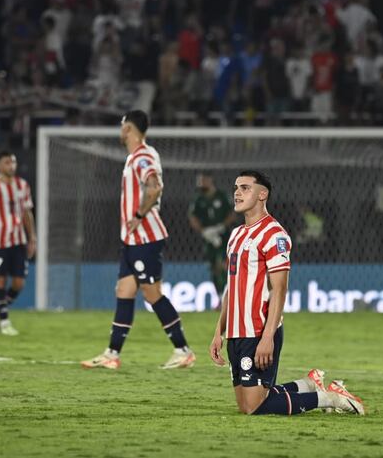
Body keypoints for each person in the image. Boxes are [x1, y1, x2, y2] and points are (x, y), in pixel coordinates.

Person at [209, 171, 365, 415]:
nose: (237, 192)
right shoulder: (236, 235)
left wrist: (268, 336)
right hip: (236, 333)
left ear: (263, 194)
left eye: (245, 187)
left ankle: (330, 398)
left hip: (259, 330)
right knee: (245, 404)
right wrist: (219, 331)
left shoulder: (274, 234)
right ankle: (309, 383)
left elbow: (279, 289)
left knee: (254, 406)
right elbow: (232, 287)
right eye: (236, 187)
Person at [82, 110, 196, 370]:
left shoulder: (143, 156)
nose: (120, 130)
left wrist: (137, 215)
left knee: (152, 294)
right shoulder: (136, 156)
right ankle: (112, 353)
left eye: (122, 126)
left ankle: (183, 350)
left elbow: (154, 187)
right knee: (124, 292)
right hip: (133, 240)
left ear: (128, 129)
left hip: (146, 238)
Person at [0, 150, 37, 336]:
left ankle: (0, 308)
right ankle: (4, 322)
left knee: (19, 283)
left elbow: (27, 213)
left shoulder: (23, 185)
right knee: (1, 280)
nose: (11, 166)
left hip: (18, 240)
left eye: (13, 162)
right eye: (7, 162)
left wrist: (32, 237)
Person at [188, 173, 236, 297]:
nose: (200, 184)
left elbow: (232, 213)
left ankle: (229, 293)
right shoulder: (198, 199)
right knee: (214, 266)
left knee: (224, 264)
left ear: (210, 180)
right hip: (208, 237)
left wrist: (221, 227)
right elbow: (192, 217)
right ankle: (220, 296)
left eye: (202, 181)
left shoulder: (222, 196)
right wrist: (203, 231)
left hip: (225, 236)